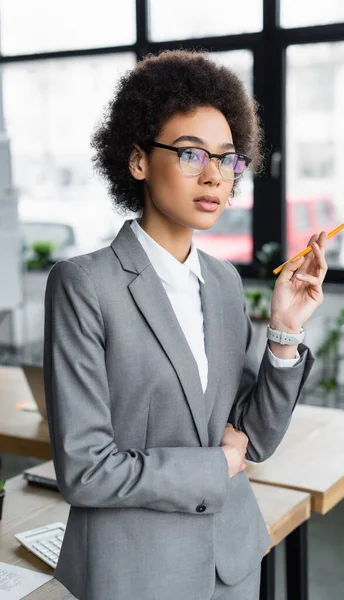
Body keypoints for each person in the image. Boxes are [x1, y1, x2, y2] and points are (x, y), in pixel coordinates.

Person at [43, 49, 327, 600]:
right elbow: (85, 469)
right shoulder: (84, 285)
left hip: (232, 562)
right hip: (138, 572)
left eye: (228, 159)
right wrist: (215, 464)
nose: (215, 176)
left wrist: (285, 332)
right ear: (138, 161)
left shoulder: (221, 283)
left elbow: (256, 438)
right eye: (192, 154)